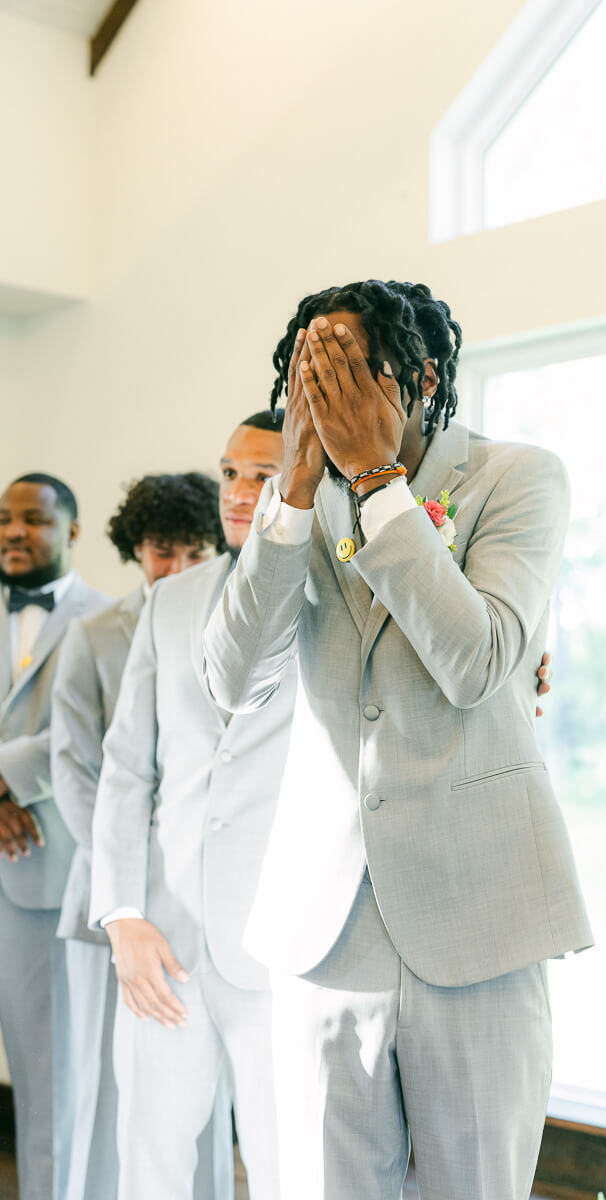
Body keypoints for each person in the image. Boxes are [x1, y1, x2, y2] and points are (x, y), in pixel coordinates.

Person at [203, 280, 593, 1200]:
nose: (325, 395)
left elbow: (476, 660)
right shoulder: (295, 506)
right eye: (310, 373)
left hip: (479, 920)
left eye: (348, 369)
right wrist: (291, 493)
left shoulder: (518, 477)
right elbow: (232, 679)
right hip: (324, 931)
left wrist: (380, 484)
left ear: (418, 378)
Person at [89, 412, 288, 1200]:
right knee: (151, 1160)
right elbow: (125, 771)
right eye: (231, 472)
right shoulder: (171, 605)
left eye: (264, 476)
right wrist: (121, 913)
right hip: (161, 945)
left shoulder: (340, 601)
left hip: (281, 947)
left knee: (286, 1169)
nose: (239, 493)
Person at [50, 471, 230, 1200]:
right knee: (111, 1086)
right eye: (162, 552)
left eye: (194, 553)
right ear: (135, 549)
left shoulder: (233, 619)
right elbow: (80, 769)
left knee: (201, 1096)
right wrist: (128, 889)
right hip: (114, 899)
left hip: (209, 896)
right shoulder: (94, 634)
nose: (178, 570)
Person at [0, 473, 108, 1200]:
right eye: (4, 519)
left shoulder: (107, 620)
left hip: (37, 867)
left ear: (71, 530)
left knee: (47, 1072)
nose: (12, 531)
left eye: (33, 519)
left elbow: (87, 733)